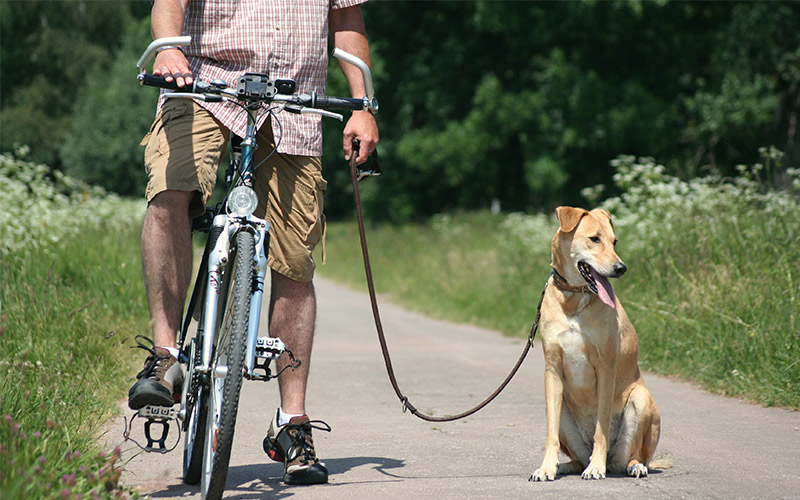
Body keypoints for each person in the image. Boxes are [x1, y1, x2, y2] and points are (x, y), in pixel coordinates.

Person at [126, 0, 379, 486]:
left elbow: (347, 23)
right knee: (169, 188)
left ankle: (292, 424)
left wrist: (362, 105)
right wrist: (167, 50)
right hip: (201, 85)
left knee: (295, 257)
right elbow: (169, 3)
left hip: (293, 101)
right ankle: (166, 356)